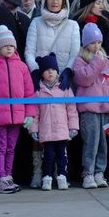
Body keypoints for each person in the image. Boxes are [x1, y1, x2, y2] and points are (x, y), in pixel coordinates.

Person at [24, 0, 80, 187]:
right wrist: (35, 70)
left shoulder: (72, 25)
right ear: (45, 0)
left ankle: (60, 172)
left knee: (61, 127)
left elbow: (76, 51)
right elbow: (29, 51)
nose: (55, 2)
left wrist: (67, 71)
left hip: (62, 82)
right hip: (40, 80)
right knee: (41, 124)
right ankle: (39, 171)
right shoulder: (36, 23)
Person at [0, 25, 36, 194]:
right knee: (1, 147)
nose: (9, 48)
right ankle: (1, 177)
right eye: (5, 45)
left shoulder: (22, 67)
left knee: (11, 147)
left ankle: (8, 175)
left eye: (12, 45)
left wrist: (30, 114)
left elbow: (29, 92)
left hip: (17, 117)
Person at [73, 23, 109, 189]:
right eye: (93, 43)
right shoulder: (80, 60)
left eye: (99, 42)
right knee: (91, 141)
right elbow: (84, 79)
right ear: (86, 44)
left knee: (102, 142)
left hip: (105, 107)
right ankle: (88, 173)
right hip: (89, 108)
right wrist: (97, 63)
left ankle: (100, 172)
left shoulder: (106, 60)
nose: (96, 46)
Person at [30, 53, 79, 191]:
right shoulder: (38, 91)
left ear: (58, 71)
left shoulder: (65, 88)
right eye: (46, 70)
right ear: (41, 74)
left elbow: (72, 110)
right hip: (46, 132)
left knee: (62, 156)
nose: (50, 72)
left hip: (62, 131)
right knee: (48, 156)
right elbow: (35, 113)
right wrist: (34, 129)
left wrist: (73, 127)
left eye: (53, 69)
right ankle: (46, 177)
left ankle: (62, 176)